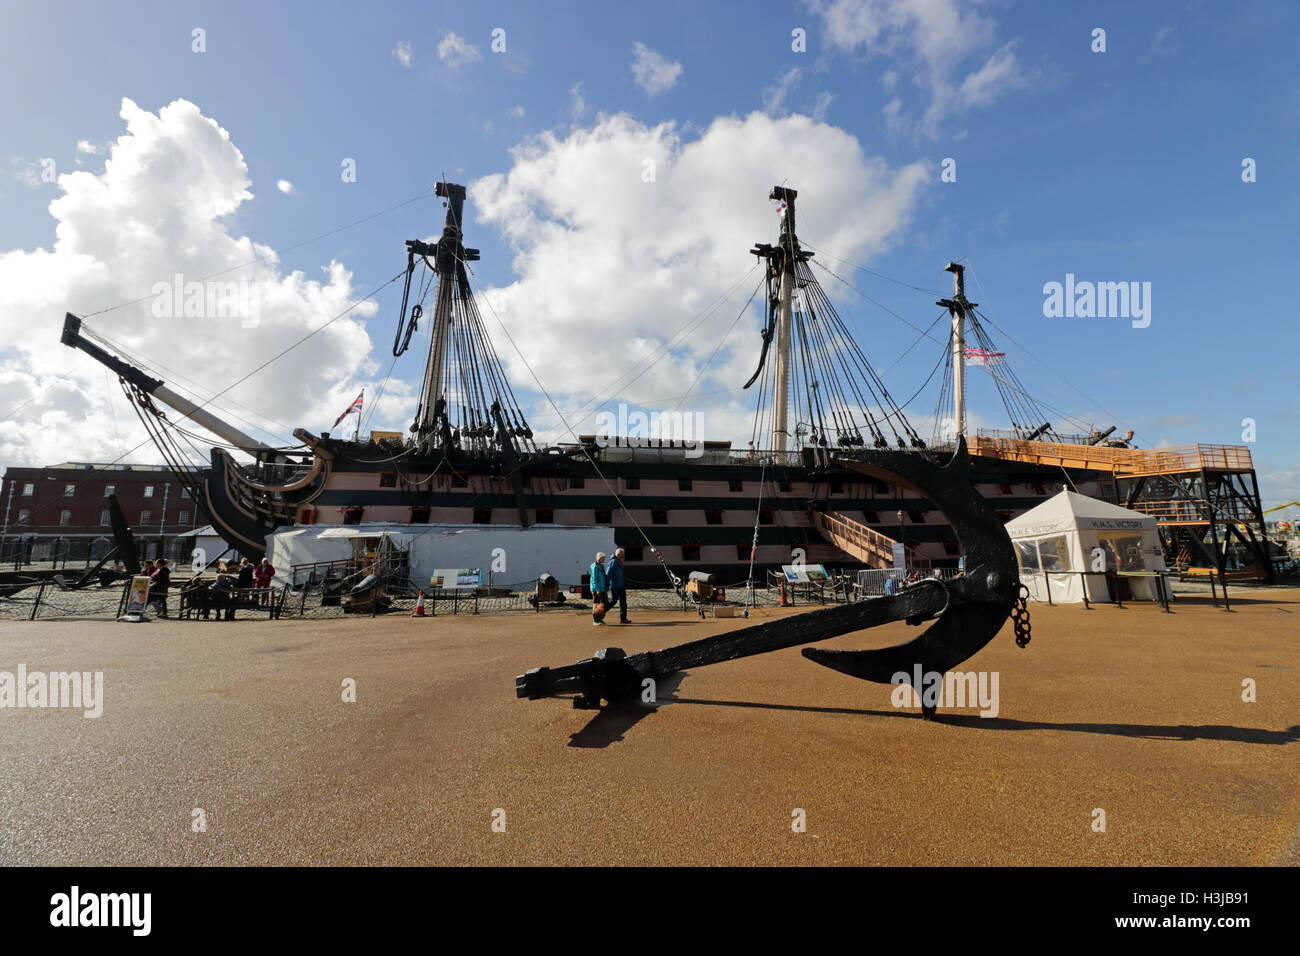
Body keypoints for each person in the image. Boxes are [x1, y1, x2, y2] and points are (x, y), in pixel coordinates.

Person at [607, 548, 628, 623]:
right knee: (613, 601)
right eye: (622, 554)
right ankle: (601, 611)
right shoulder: (613, 562)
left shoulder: (619, 561)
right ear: (618, 554)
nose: (623, 556)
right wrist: (607, 585)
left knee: (623, 602)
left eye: (623, 554)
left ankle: (623, 618)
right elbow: (608, 574)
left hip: (621, 585)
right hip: (615, 585)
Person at [589, 552, 609, 625]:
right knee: (596, 604)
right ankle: (595, 621)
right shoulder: (594, 566)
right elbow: (594, 579)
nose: (604, 559)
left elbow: (604, 577)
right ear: (599, 558)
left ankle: (600, 618)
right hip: (596, 589)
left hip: (603, 588)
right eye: (603, 558)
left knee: (605, 603)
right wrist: (597, 589)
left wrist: (606, 587)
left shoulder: (602, 566)